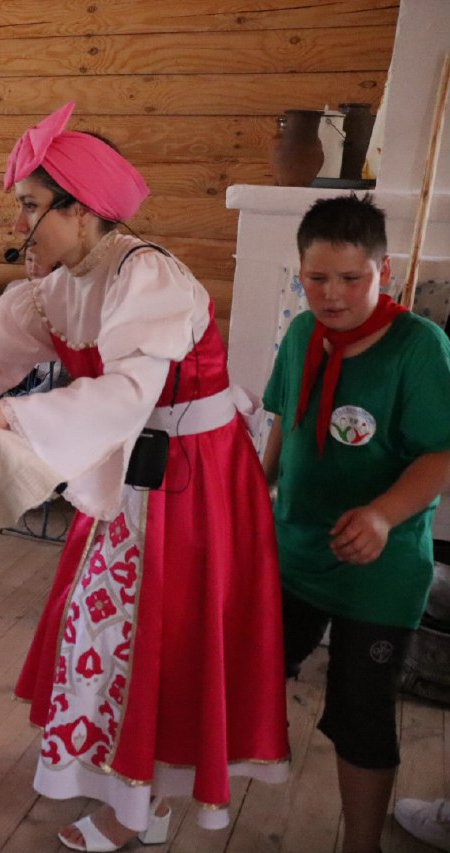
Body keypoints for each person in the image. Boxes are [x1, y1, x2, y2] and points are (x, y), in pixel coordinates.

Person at [0, 101, 290, 851]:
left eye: (33, 207)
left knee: (162, 632)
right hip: (129, 473)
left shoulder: (149, 274)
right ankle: (133, 791)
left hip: (193, 479)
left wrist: (9, 418)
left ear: (83, 208)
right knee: (107, 624)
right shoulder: (51, 289)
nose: (21, 226)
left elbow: (129, 393)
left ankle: (141, 805)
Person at [261, 195, 450, 853]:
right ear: (299, 273)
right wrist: (257, 491)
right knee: (245, 674)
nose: (332, 294)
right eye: (317, 277)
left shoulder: (420, 347)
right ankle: (198, 798)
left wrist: (381, 513)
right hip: (293, 553)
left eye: (351, 277)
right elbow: (284, 417)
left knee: (361, 712)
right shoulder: (299, 333)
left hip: (382, 568)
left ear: (385, 271)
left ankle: (359, 845)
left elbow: (442, 451)